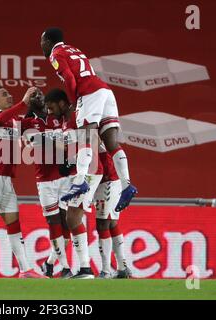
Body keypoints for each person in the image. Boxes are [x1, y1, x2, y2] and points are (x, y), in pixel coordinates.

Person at [40, 27, 137, 213]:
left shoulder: (55, 54)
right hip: (105, 91)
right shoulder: (74, 49)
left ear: (47, 42)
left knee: (86, 137)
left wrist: (74, 100)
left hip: (89, 92)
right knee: (111, 142)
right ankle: (127, 185)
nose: (41, 46)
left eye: (41, 42)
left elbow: (68, 77)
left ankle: (80, 181)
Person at [0, 85, 47, 279]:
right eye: (4, 95)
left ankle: (26, 269)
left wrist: (38, 108)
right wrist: (23, 102)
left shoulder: (14, 121)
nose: (9, 96)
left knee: (14, 224)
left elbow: (31, 125)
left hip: (6, 180)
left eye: (9, 94)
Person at [44, 88, 103, 279]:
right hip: (79, 173)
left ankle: (86, 269)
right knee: (71, 218)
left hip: (90, 171)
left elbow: (92, 140)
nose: (50, 112)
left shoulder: (79, 116)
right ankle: (80, 267)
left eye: (52, 107)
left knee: (72, 218)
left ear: (62, 103)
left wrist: (75, 158)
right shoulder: (63, 122)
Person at [20, 89, 72, 278]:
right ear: (28, 101)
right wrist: (63, 144)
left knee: (68, 224)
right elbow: (40, 143)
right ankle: (65, 267)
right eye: (33, 95)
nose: (39, 96)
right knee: (54, 223)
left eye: (40, 93)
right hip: (45, 181)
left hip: (64, 178)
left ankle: (49, 264)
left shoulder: (57, 117)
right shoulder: (26, 123)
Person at [94, 143, 132, 279]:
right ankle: (122, 267)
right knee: (111, 223)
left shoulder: (96, 133)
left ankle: (105, 270)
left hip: (108, 181)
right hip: (108, 181)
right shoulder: (98, 133)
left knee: (102, 224)